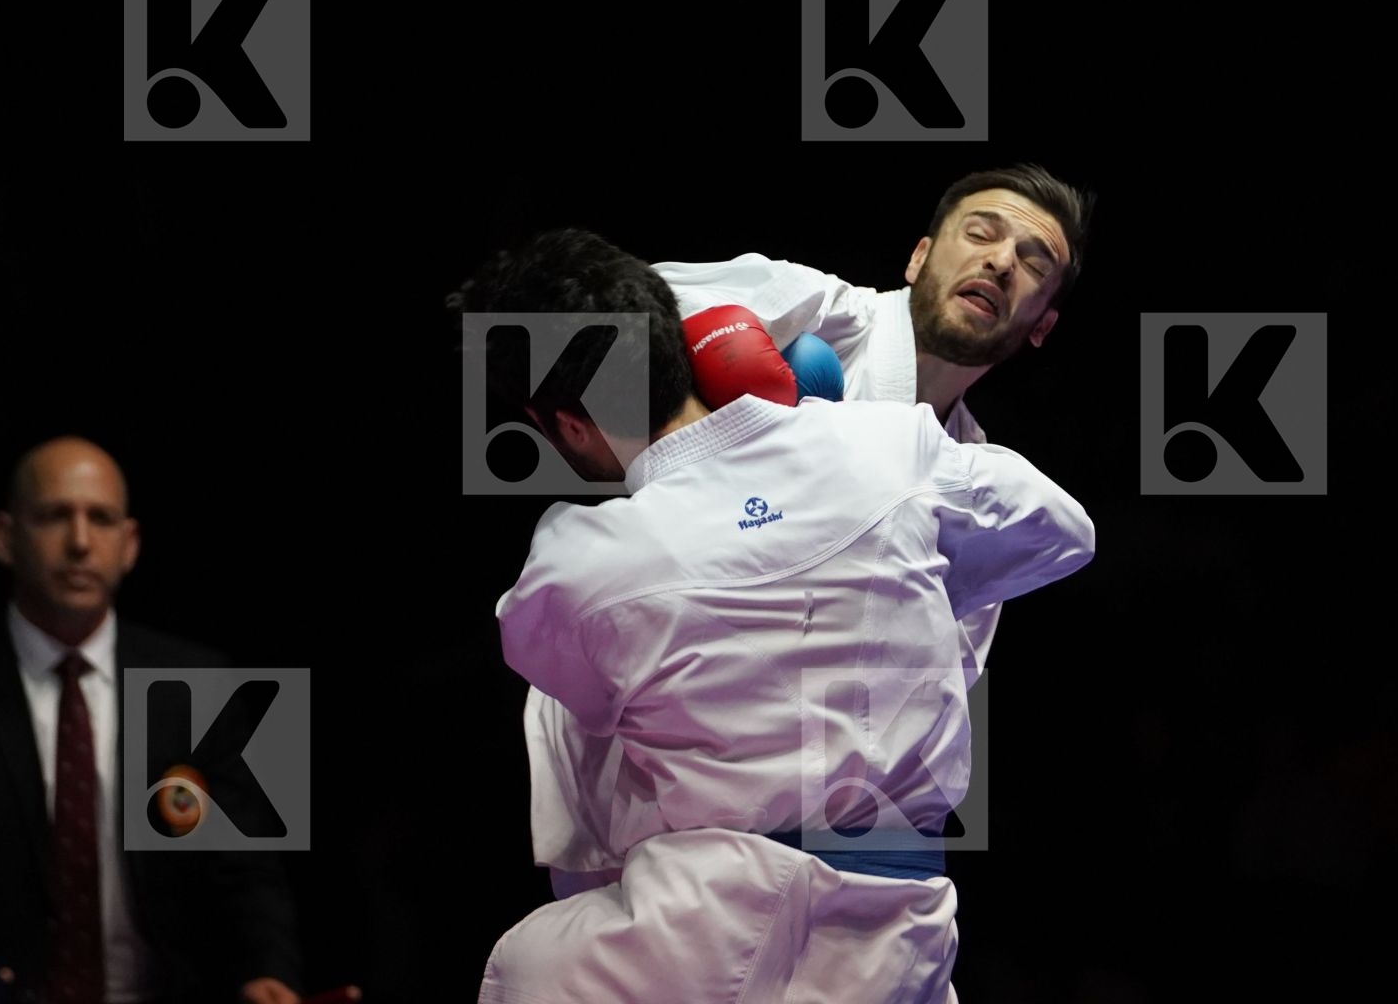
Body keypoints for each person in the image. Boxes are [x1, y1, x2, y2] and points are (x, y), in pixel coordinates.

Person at [447, 230, 1096, 1003]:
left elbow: (575, 699)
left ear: (568, 425)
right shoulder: (889, 444)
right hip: (901, 935)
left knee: (529, 966)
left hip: (695, 933)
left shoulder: (574, 562)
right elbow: (1067, 532)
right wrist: (891, 576)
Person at [650, 161, 1095, 694]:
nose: (1000, 262)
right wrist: (693, 434)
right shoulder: (814, 310)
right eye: (980, 234)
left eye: (1033, 264)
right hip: (642, 649)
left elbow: (928, 696)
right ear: (919, 257)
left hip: (763, 716)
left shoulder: (975, 499)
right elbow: (590, 324)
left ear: (1042, 325)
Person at [0, 436, 304, 1004]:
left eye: (101, 518)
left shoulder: (200, 685)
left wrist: (266, 971)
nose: (80, 542)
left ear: (130, 543)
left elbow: (248, 868)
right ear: (5, 537)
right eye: (55, 516)